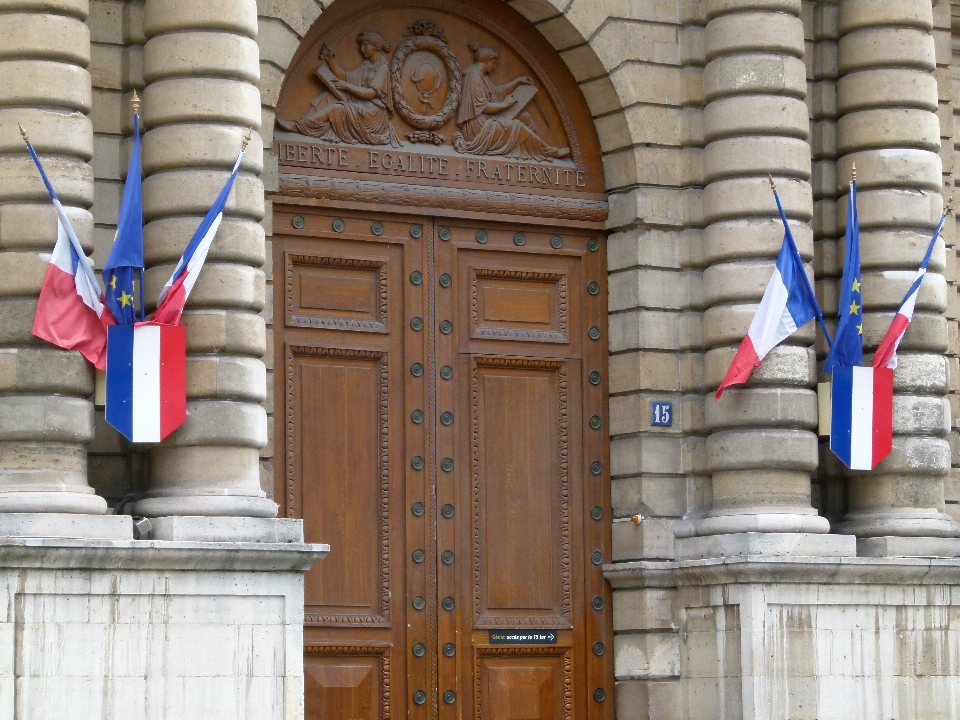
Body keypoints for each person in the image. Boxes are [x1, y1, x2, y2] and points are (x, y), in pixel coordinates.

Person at [279, 31, 401, 147]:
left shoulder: (383, 68)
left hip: (373, 114)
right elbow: (346, 77)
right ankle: (304, 126)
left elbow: (371, 93)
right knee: (326, 97)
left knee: (337, 108)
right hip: (361, 105)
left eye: (365, 45)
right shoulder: (366, 65)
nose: (362, 49)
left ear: (375, 46)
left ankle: (298, 126)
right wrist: (330, 60)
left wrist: (346, 86)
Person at [453, 41, 570, 162]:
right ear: (486, 61)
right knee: (517, 126)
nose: (495, 67)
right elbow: (484, 107)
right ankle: (549, 152)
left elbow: (498, 92)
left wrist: (517, 81)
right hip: (478, 127)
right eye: (494, 63)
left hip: (487, 120)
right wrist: (505, 105)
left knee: (525, 117)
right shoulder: (473, 78)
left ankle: (538, 149)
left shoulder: (483, 77)